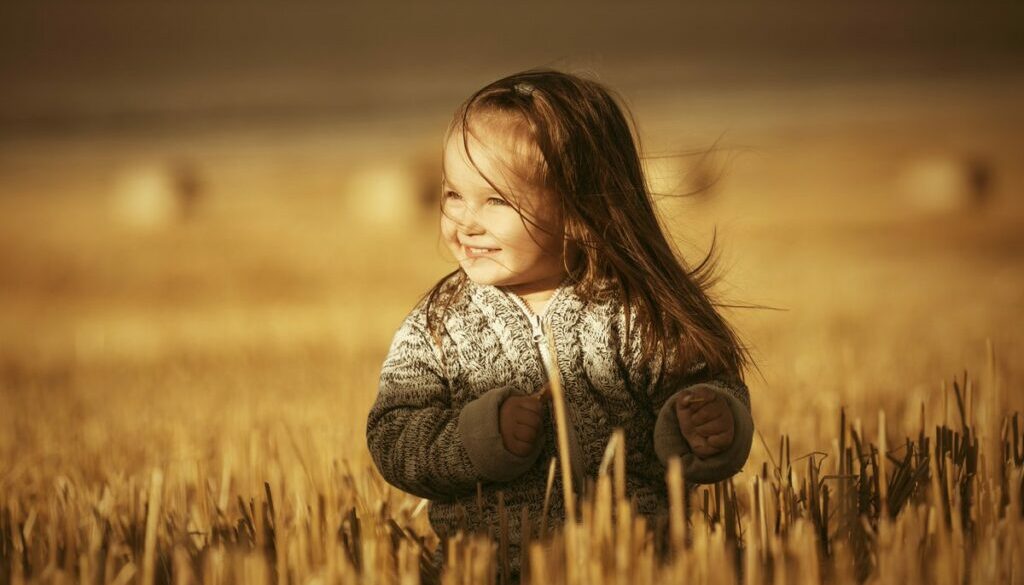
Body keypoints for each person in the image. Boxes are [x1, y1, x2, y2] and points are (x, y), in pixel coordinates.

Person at [365, 68, 755, 583]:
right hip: (492, 571)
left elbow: (705, 387)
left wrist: (711, 424)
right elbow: (392, 437)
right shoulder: (438, 325)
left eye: (495, 200)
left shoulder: (636, 311)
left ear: (579, 210)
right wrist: (477, 438)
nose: (465, 222)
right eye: (453, 194)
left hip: (635, 565)